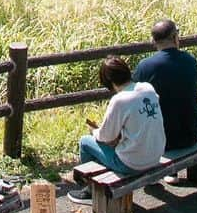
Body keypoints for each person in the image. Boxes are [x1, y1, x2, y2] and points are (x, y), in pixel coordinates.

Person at [68, 55, 166, 204]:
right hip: (156, 155)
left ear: (110, 82)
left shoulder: (119, 100)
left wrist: (94, 131)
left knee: (85, 142)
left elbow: (104, 137)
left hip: (132, 164)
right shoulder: (148, 88)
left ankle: (90, 190)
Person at [132, 17, 197, 151]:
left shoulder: (145, 66)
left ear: (153, 41)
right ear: (175, 37)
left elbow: (132, 98)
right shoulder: (190, 60)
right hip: (192, 133)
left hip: (160, 138)